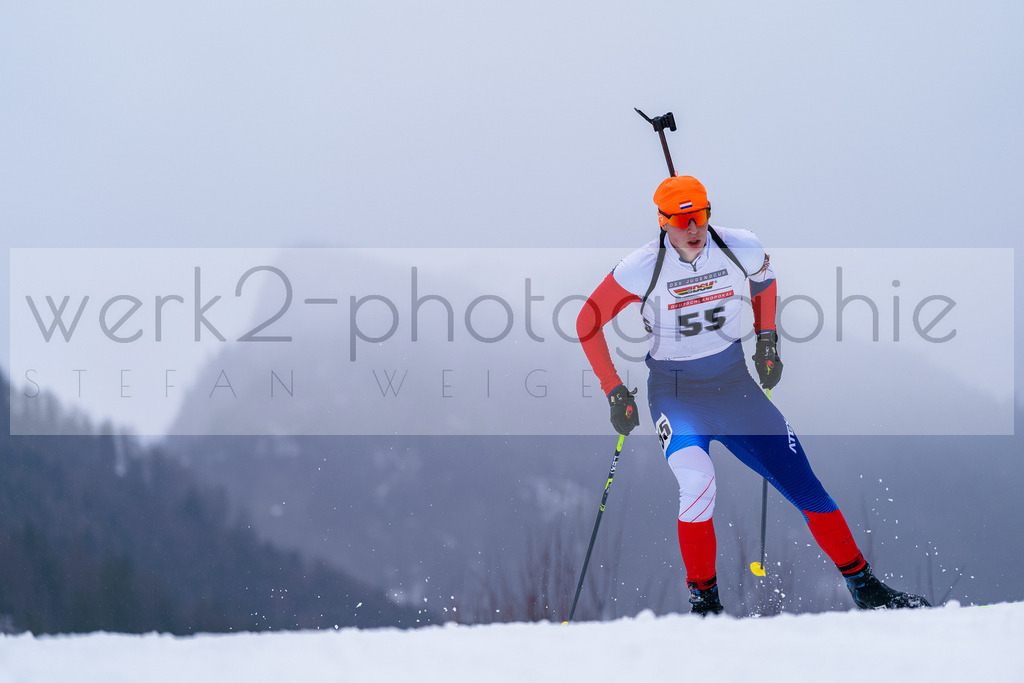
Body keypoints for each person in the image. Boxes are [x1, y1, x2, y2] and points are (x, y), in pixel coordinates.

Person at [576, 174, 930, 615]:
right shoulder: (640, 268)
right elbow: (587, 322)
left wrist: (767, 340)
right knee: (698, 483)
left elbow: (764, 279)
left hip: (736, 389)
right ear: (663, 222)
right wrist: (614, 392)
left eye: (700, 216)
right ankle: (705, 606)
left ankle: (865, 588)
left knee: (807, 488)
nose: (694, 229)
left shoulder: (738, 246)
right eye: (682, 220)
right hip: (677, 396)